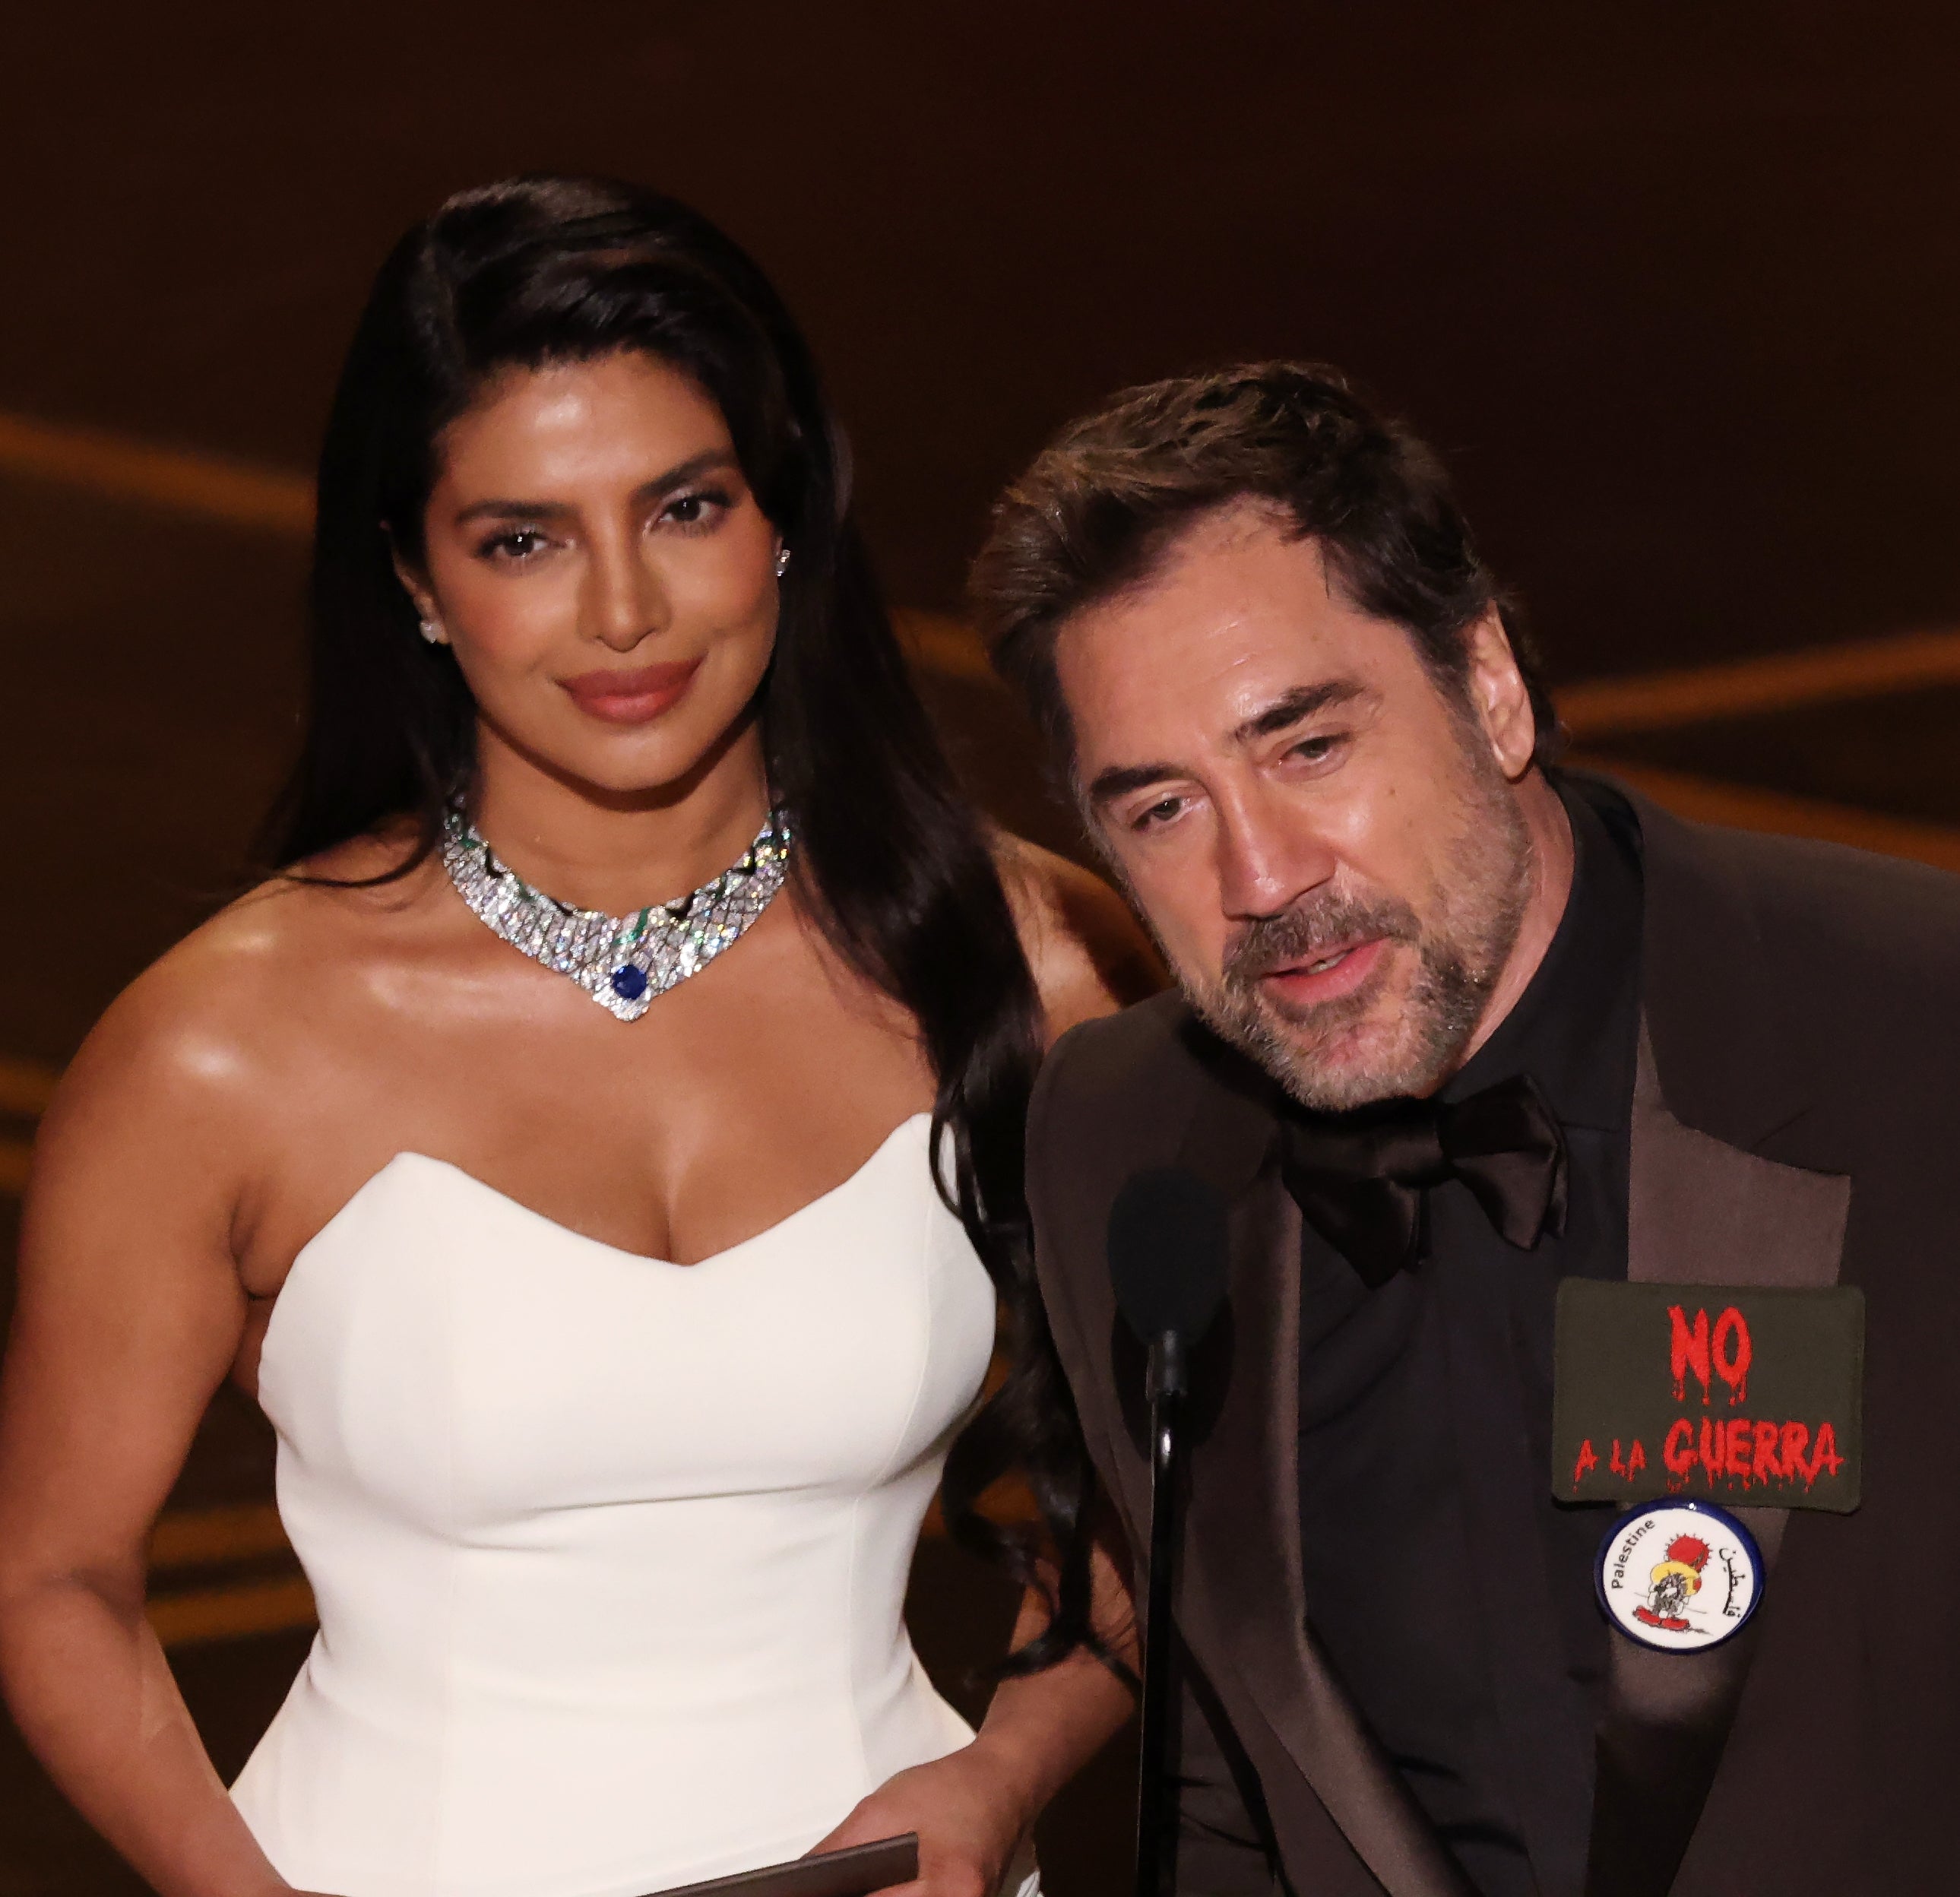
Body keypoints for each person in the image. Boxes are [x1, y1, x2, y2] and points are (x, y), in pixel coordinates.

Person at [0, 176, 1148, 1897]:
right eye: (522, 540)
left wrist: (998, 1781)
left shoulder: (1033, 964)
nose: (624, 612)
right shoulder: (216, 1054)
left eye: (683, 507)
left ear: (784, 519)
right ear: (416, 577)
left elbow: (1165, 1488)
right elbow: (52, 1579)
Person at [967, 363, 1958, 1896]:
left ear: (1488, 688)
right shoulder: (1120, 1144)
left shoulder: (1912, 1033)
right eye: (1161, 809)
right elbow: (1225, 1780)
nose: (1262, 877)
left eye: (1308, 746)